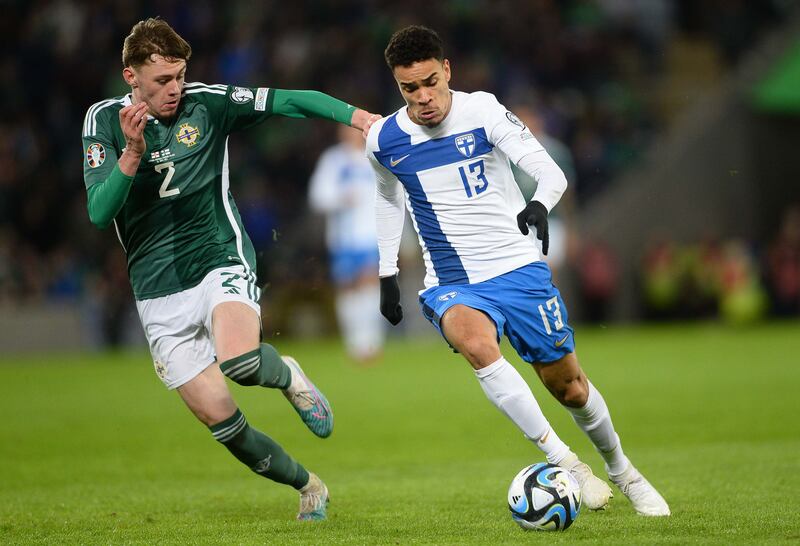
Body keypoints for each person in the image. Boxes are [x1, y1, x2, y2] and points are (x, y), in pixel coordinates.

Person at [81, 18, 380, 521]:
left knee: (240, 362)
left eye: (179, 75)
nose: (175, 89)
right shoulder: (104, 121)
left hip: (218, 254)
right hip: (156, 290)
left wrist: (357, 117)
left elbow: (289, 99)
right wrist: (132, 154)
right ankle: (309, 486)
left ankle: (289, 377)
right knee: (224, 424)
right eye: (161, 81)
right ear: (130, 76)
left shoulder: (209, 101)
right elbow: (98, 212)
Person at [366, 25, 670, 517]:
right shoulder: (384, 139)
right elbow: (386, 198)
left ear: (447, 71)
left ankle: (623, 471)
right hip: (452, 281)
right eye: (409, 88)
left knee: (567, 385)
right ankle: (566, 462)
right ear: (397, 86)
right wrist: (385, 273)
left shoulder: (482, 110)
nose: (423, 97)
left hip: (516, 268)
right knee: (478, 347)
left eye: (429, 83)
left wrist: (539, 205)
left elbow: (550, 171)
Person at [309, 125, 385, 363]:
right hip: (343, 237)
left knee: (370, 284)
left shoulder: (376, 157)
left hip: (372, 234)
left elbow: (392, 197)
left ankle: (371, 342)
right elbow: (317, 197)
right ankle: (354, 343)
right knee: (348, 288)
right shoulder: (333, 160)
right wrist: (341, 198)